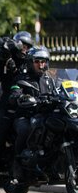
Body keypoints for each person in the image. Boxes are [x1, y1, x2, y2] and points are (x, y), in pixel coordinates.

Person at [9, 46, 60, 180]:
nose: (41, 64)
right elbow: (14, 94)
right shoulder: (21, 79)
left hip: (46, 115)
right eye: (37, 61)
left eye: (43, 61)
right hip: (26, 116)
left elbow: (61, 91)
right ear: (31, 62)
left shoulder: (50, 80)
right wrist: (21, 97)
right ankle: (17, 163)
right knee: (25, 129)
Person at [0, 31, 33, 171]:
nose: (25, 49)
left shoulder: (32, 62)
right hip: (9, 104)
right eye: (22, 46)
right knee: (3, 125)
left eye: (28, 46)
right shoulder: (6, 60)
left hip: (30, 103)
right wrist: (1, 63)